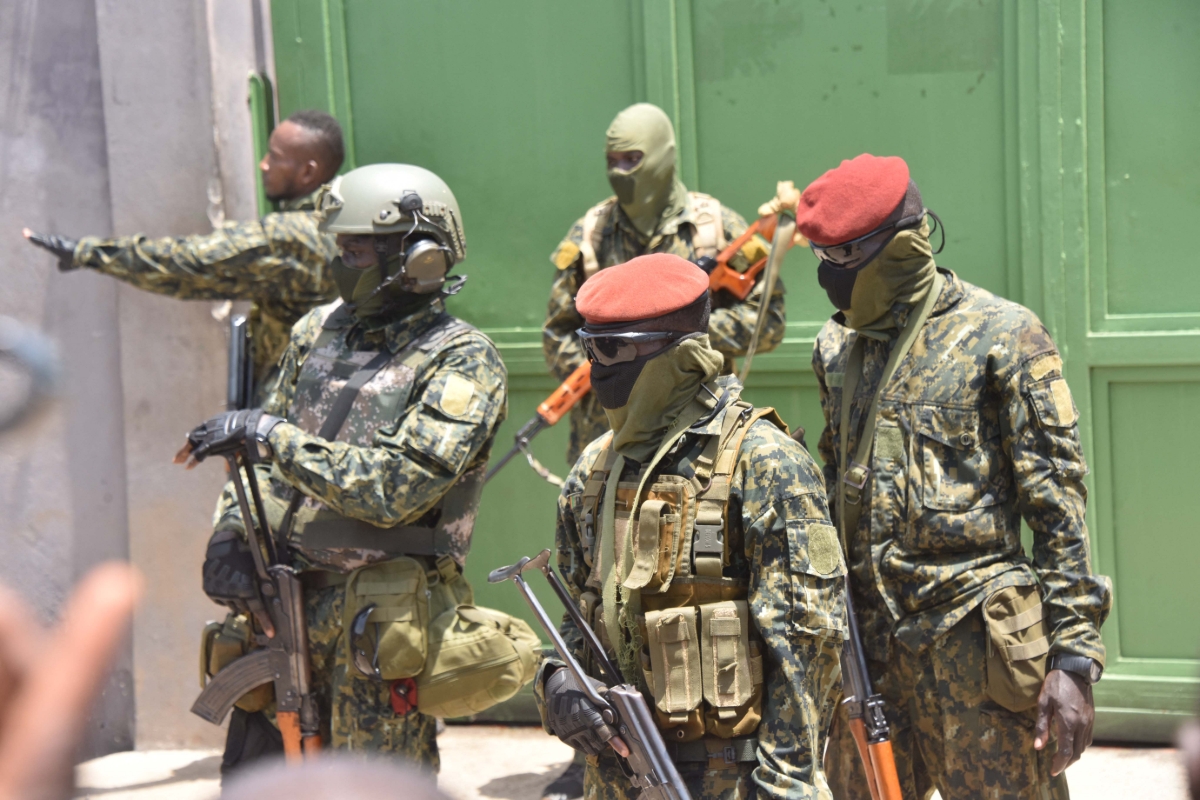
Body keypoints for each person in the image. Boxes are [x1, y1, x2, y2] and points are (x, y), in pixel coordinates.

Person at [799, 154, 1112, 799]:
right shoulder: (837, 349)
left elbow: (1059, 506)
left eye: (844, 257)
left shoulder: (1003, 336)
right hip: (871, 655)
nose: (830, 276)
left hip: (979, 657)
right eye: (821, 259)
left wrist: (1074, 660)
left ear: (904, 243)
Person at [181, 163, 507, 776]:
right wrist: (229, 535)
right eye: (339, 247)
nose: (340, 263)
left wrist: (274, 436)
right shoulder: (317, 331)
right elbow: (258, 464)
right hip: (281, 613)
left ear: (421, 259)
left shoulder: (462, 359)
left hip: (378, 625)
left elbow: (394, 490)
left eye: (355, 249)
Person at [535, 253, 844, 800]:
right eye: (589, 347)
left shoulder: (764, 463)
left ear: (677, 353)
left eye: (612, 348)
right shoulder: (596, 470)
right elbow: (573, 615)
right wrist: (555, 681)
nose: (596, 367)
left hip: (734, 782)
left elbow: (808, 648)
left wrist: (787, 784)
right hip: (618, 779)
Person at [23, 109, 345, 401]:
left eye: (275, 157)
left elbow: (190, 264)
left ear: (307, 173)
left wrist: (88, 253)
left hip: (290, 416)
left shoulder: (292, 237)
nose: (263, 164)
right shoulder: (345, 225)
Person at [542, 102, 786, 469]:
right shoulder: (589, 236)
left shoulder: (717, 231)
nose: (619, 171)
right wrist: (609, 361)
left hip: (700, 436)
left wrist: (679, 342)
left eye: (631, 159)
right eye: (613, 160)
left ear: (663, 156)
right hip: (608, 440)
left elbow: (768, 322)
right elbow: (557, 333)